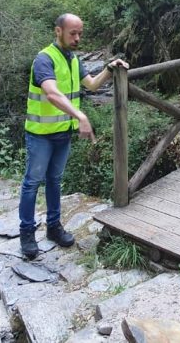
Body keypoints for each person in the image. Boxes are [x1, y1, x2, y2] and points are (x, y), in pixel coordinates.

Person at [19, 13, 128, 259]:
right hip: (40, 135)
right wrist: (80, 115)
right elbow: (51, 93)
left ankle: (54, 227)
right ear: (58, 31)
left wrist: (110, 68)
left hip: (62, 134)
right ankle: (26, 232)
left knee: (55, 180)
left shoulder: (74, 59)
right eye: (73, 33)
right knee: (32, 182)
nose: (77, 38)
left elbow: (92, 84)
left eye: (80, 33)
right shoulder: (44, 59)